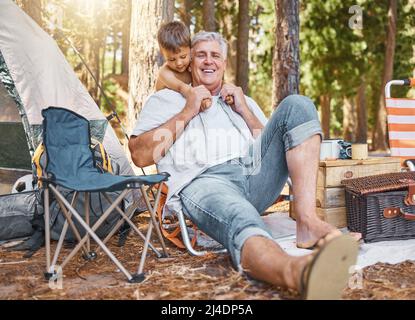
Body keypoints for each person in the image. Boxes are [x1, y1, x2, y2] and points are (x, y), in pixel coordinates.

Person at [129, 31, 358, 299]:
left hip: (253, 174)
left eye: (215, 55)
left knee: (298, 105)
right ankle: (297, 273)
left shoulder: (241, 100)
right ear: (190, 62)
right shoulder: (166, 99)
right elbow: (139, 156)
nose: (208, 61)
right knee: (241, 218)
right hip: (204, 182)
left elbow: (278, 143)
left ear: (224, 64)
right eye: (201, 55)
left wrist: (245, 111)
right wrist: (188, 110)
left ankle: (307, 222)